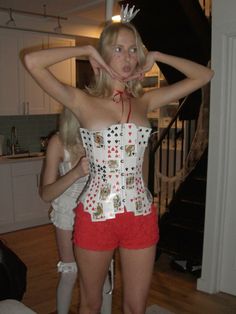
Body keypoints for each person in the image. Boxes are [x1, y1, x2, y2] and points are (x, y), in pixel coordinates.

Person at [24, 5, 214, 314]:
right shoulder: (82, 100)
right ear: (102, 56)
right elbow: (32, 62)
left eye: (133, 50)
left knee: (135, 307)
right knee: (91, 302)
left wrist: (157, 57)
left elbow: (205, 74)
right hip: (96, 217)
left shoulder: (145, 100)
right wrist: (86, 48)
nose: (127, 57)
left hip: (140, 215)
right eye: (118, 49)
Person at [39, 107, 89, 314]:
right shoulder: (58, 142)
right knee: (70, 273)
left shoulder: (98, 137)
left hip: (95, 210)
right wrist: (76, 172)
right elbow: (46, 194)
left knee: (101, 275)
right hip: (68, 212)